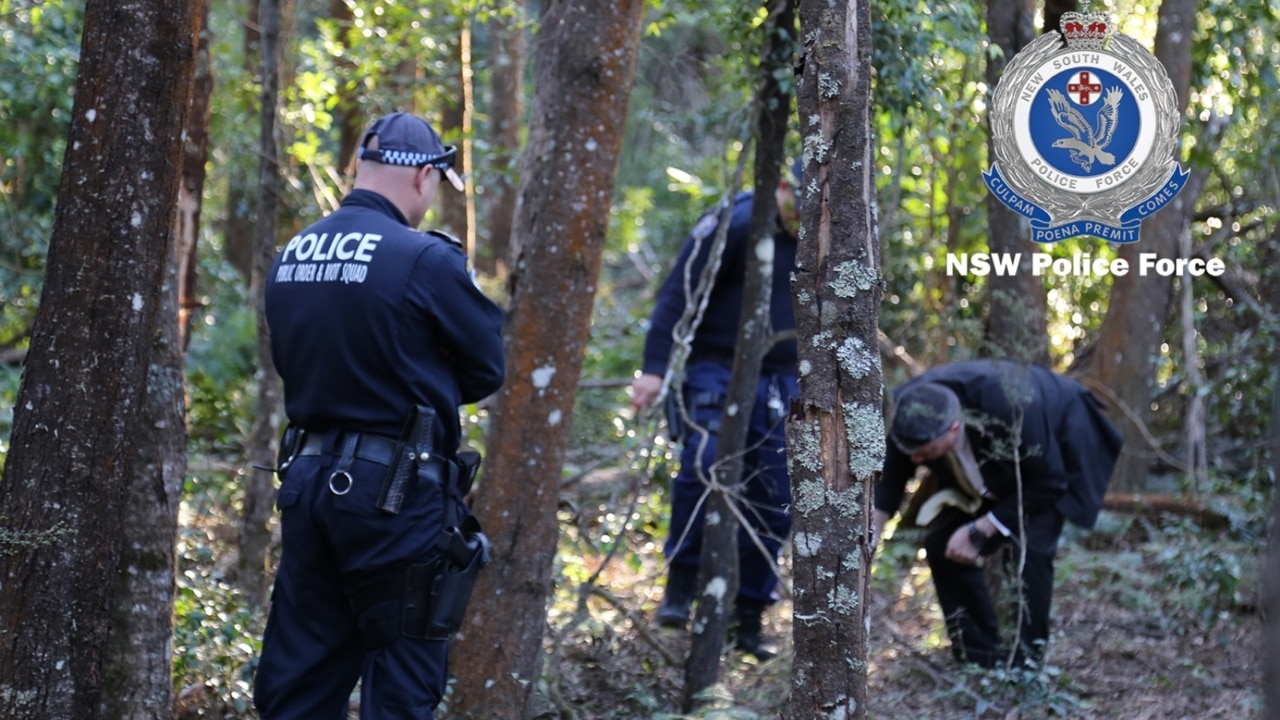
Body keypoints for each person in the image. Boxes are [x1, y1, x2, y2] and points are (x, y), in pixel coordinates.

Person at [254, 111, 506, 719]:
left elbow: (294, 355)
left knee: (302, 676)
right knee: (402, 679)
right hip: (395, 494)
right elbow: (487, 366)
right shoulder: (424, 259)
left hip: (308, 486)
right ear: (423, 176)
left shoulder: (294, 253)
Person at [629, 168, 801, 660]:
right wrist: (654, 369)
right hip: (718, 367)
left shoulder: (838, 231)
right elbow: (676, 293)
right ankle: (680, 586)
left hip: (783, 379)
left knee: (776, 494)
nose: (804, 219)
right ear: (784, 189)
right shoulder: (738, 223)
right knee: (702, 464)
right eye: (799, 207)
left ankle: (749, 615)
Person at [871, 359, 1122, 668]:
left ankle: (1025, 664)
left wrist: (980, 530)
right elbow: (892, 477)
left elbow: (1048, 482)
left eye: (922, 452)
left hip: (1056, 451)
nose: (915, 458)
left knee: (1030, 550)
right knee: (941, 543)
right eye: (909, 449)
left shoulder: (1008, 406)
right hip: (984, 472)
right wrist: (868, 537)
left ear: (953, 428)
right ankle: (979, 657)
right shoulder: (908, 411)